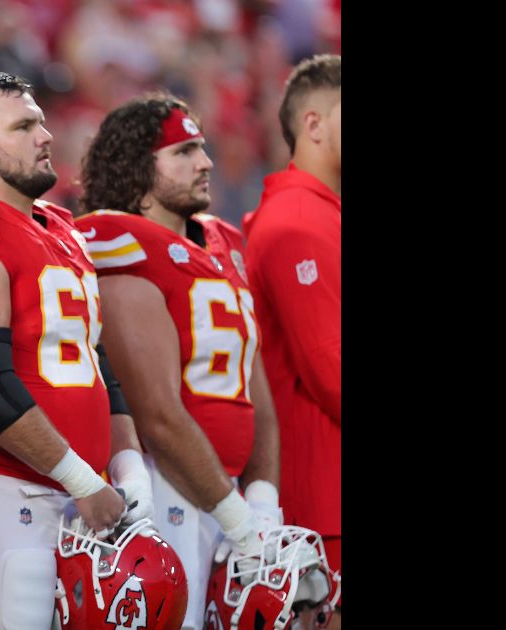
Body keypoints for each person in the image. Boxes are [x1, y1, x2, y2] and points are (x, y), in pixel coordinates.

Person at [0, 72, 153, 630]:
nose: (45, 135)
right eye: (23, 125)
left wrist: (129, 467)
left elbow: (95, 361)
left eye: (41, 120)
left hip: (77, 495)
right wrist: (84, 481)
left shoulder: (60, 227)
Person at [74, 94, 282, 629]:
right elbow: (157, 415)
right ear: (139, 166)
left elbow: (253, 383)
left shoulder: (221, 240)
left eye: (204, 148)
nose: (205, 162)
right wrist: (239, 517)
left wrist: (261, 499)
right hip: (163, 484)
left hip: (225, 491)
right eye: (185, 151)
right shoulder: (122, 245)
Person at [241, 53, 342, 600]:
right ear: (313, 123)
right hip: (324, 493)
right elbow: (332, 369)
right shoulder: (300, 222)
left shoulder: (317, 214)